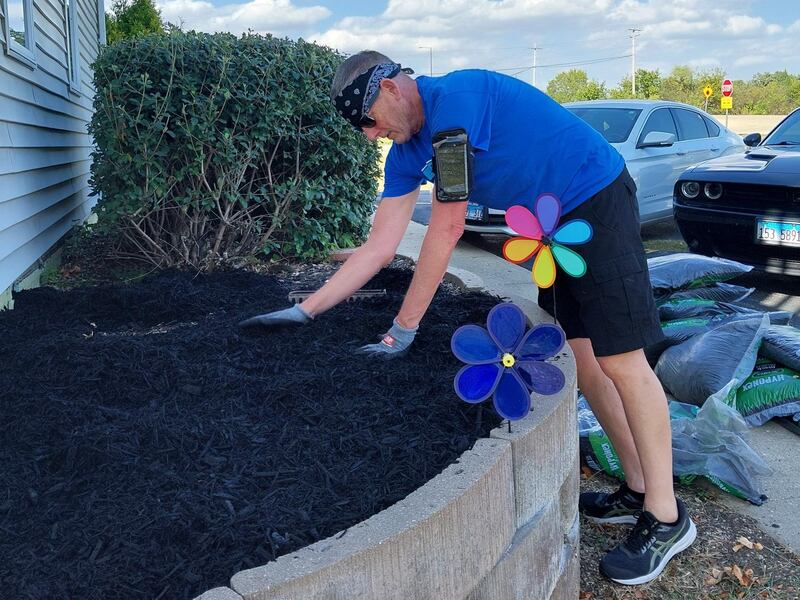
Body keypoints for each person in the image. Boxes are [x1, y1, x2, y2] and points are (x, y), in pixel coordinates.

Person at [239, 50, 696, 584]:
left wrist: (402, 331)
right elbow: (378, 248)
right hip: (553, 225)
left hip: (596, 197)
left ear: (390, 87)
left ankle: (666, 516)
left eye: (367, 121)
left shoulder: (456, 102)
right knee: (582, 355)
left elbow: (448, 228)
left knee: (621, 358)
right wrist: (303, 310)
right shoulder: (405, 154)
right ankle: (637, 486)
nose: (369, 136)